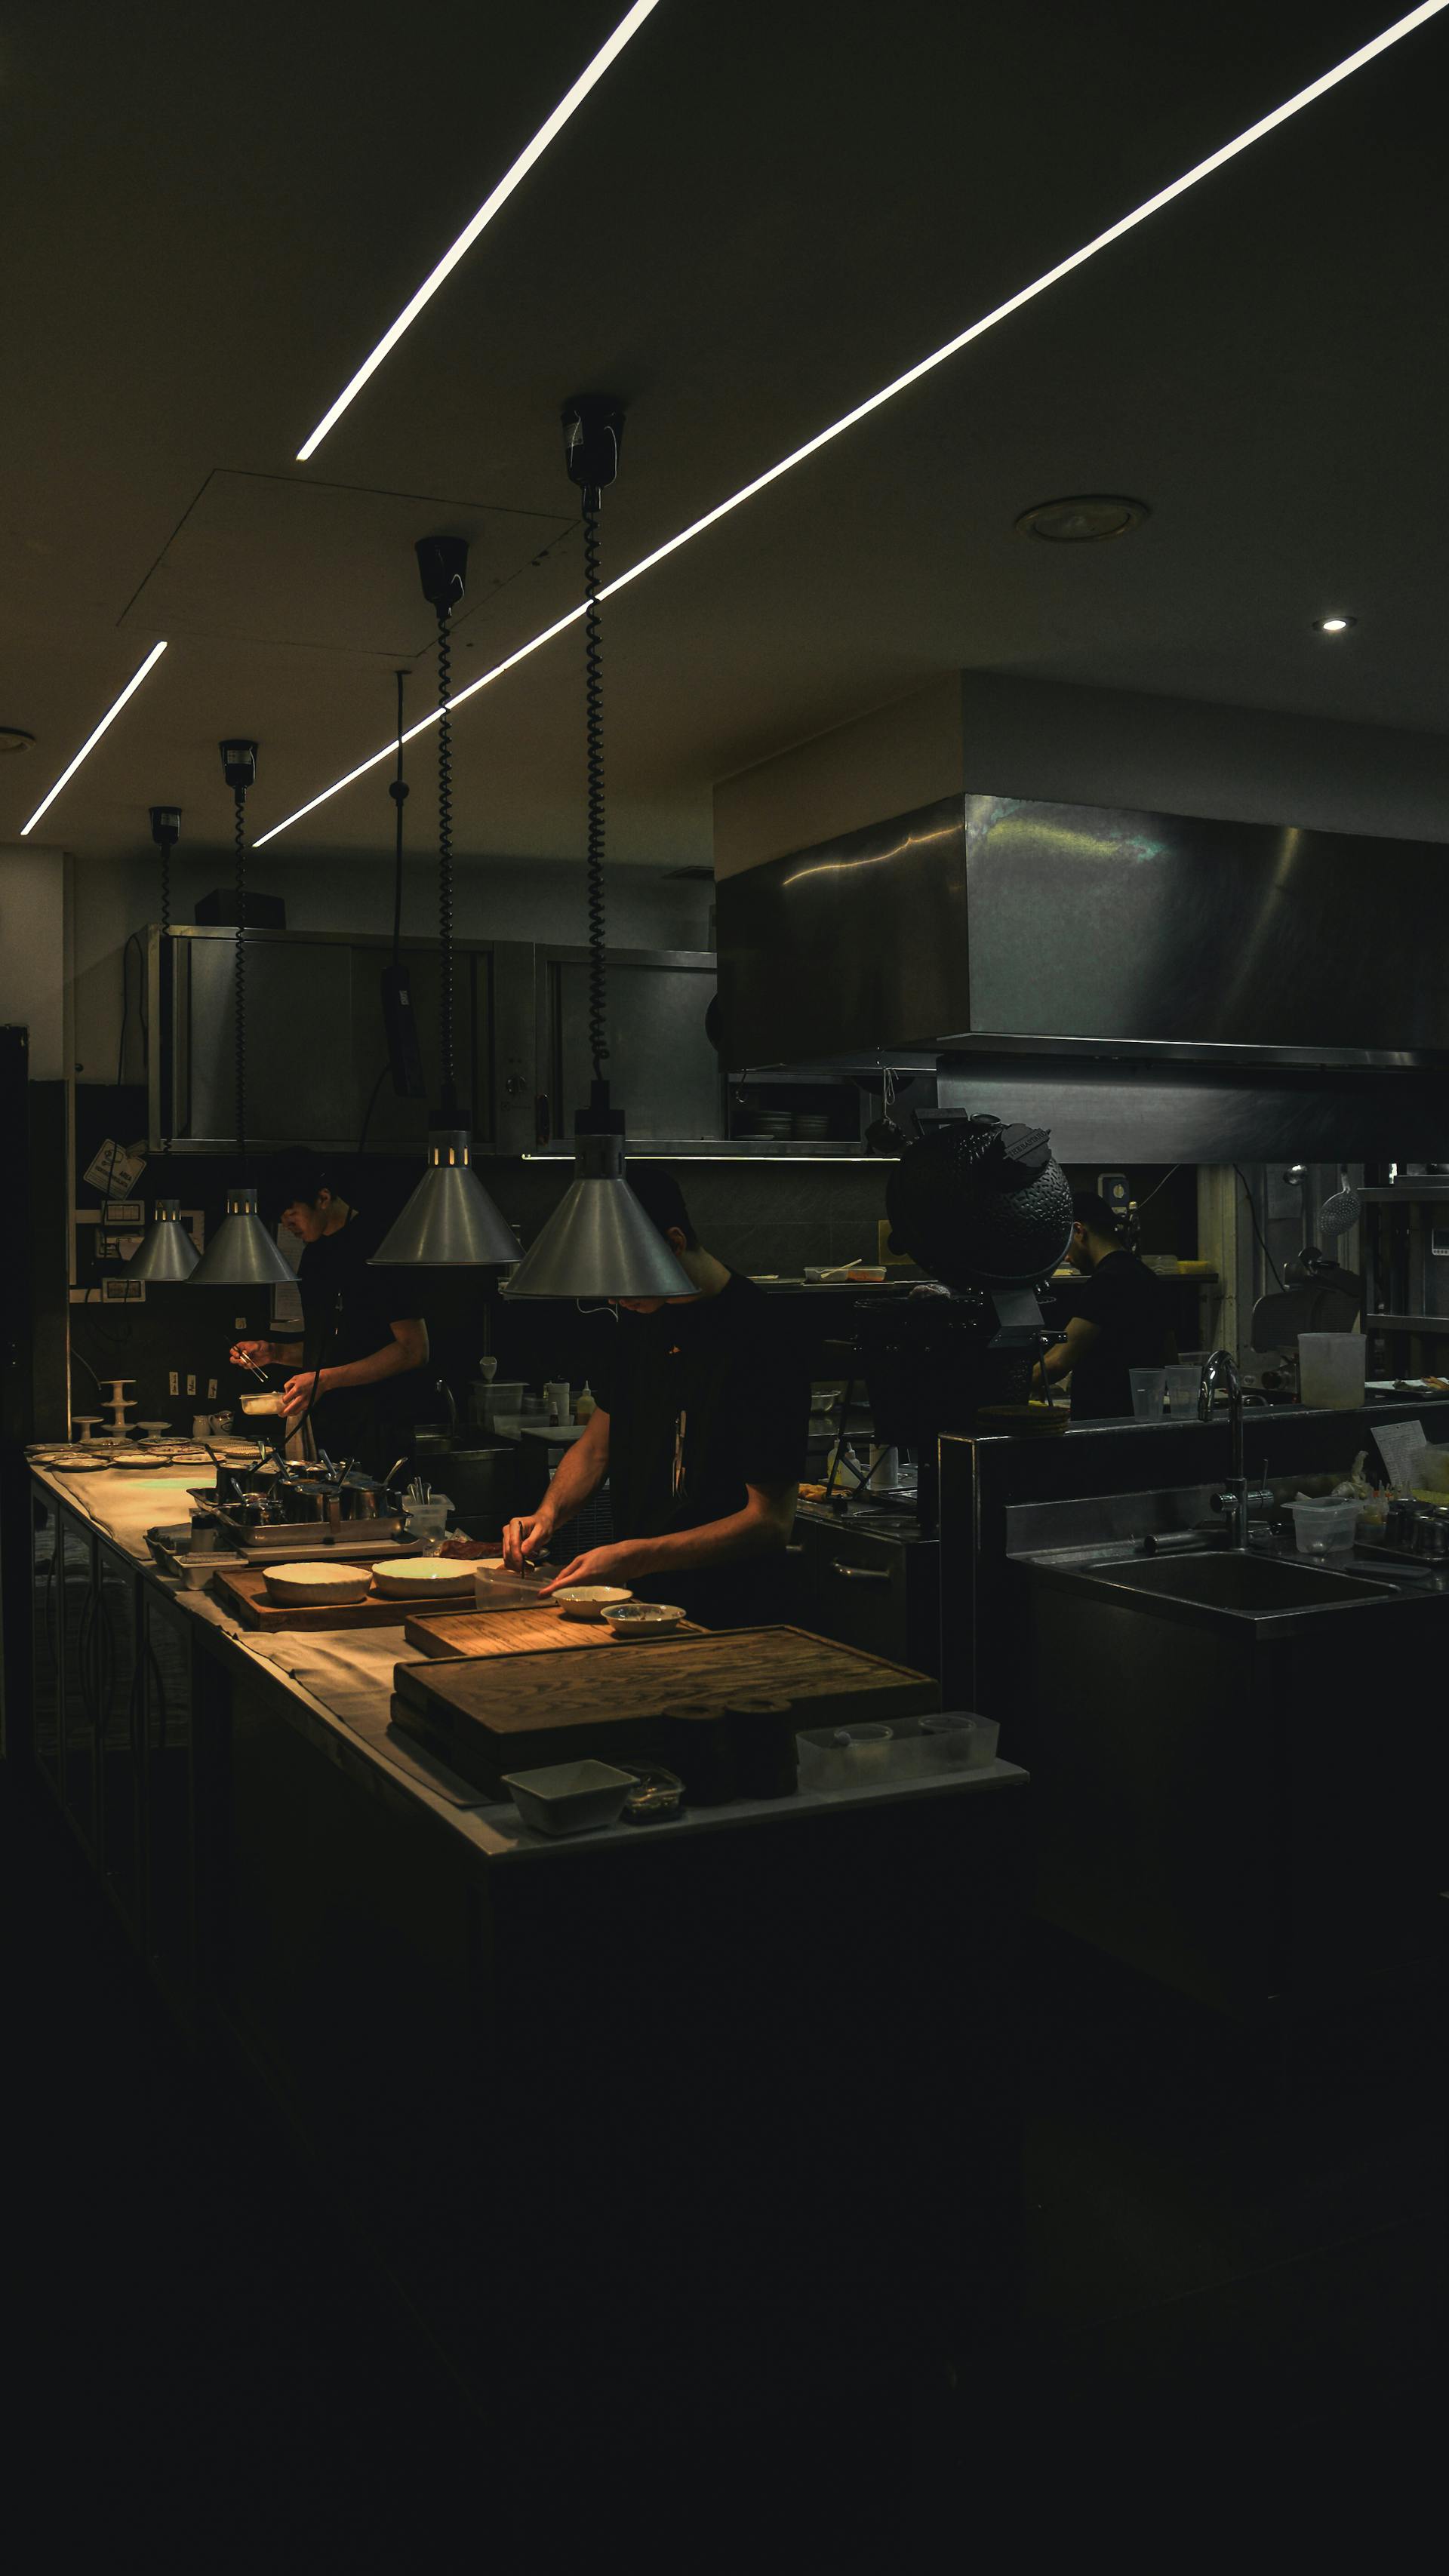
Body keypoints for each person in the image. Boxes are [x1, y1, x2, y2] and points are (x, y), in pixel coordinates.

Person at [455, 1171, 808, 1628]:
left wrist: (636, 1557)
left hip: (728, 1612)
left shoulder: (763, 1335)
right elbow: (597, 1446)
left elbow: (770, 1523)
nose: (616, 1296)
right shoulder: (641, 1318)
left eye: (626, 1277)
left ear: (675, 1243)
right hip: (641, 1607)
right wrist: (548, 1514)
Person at [229, 1150, 429, 1477]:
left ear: (323, 1198)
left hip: (379, 1429)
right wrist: (274, 1352)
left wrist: (324, 1381)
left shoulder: (380, 1248)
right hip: (327, 1432)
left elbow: (413, 1350)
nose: (285, 1223)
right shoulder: (315, 1256)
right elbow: (328, 1350)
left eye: (291, 1212)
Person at [1035, 1191, 1174, 1420]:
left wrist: (1009, 1390)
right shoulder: (1148, 1277)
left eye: (1065, 1245)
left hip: (1103, 1428)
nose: (1066, 1258)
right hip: (1142, 1424)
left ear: (1079, 1231)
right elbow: (1171, 1359)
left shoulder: (1108, 1281)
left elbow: (1058, 1362)